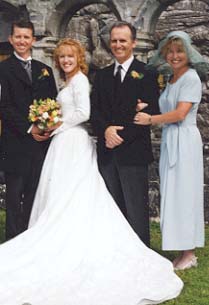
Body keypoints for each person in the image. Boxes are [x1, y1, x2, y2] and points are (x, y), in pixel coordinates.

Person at [0, 37, 183, 304]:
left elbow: (84, 113)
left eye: (70, 57)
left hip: (72, 142)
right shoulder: (68, 82)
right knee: (59, 193)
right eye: (62, 57)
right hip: (63, 144)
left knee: (74, 192)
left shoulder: (81, 81)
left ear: (79, 59)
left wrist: (55, 128)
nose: (65, 61)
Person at [134, 30, 206, 270]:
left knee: (185, 194)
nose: (175, 56)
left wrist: (150, 119)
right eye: (170, 52)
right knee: (173, 193)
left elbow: (180, 113)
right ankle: (181, 248)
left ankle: (189, 253)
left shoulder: (191, 77)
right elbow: (168, 105)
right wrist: (147, 105)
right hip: (170, 140)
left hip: (184, 141)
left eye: (179, 51)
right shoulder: (172, 78)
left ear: (188, 53)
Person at [90, 21, 160, 247]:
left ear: (133, 43)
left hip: (133, 151)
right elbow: (95, 110)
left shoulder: (147, 73)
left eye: (123, 40)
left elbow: (151, 112)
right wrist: (106, 131)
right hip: (107, 151)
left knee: (136, 210)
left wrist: (120, 135)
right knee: (113, 208)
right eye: (114, 41)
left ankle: (141, 254)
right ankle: (117, 253)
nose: (118, 45)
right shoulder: (101, 76)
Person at [0, 19, 57, 240]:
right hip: (15, 142)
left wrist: (46, 126)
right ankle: (13, 241)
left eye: (26, 37)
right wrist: (29, 127)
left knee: (35, 194)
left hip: (41, 143)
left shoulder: (45, 70)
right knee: (14, 196)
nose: (22, 41)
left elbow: (52, 102)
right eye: (18, 37)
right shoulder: (3, 69)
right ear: (11, 39)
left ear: (33, 40)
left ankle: (30, 239)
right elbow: (3, 106)